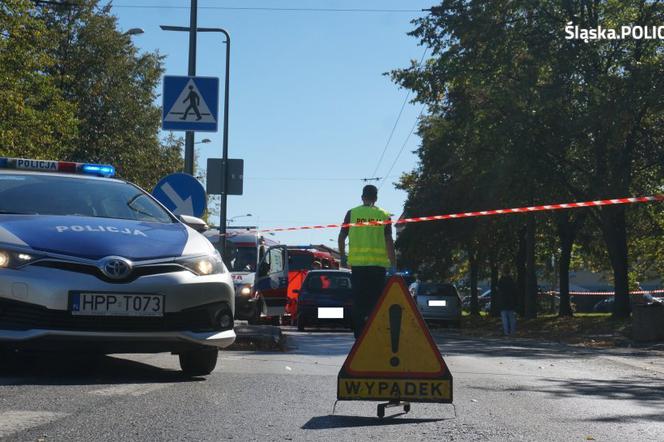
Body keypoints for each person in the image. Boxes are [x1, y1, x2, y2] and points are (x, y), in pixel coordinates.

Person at [338, 185, 396, 338]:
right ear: (376, 198)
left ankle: (359, 334)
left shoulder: (352, 214)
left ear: (362, 197)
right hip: (378, 268)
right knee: (377, 302)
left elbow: (341, 237)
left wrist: (343, 257)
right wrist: (393, 263)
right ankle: (375, 333)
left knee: (359, 302)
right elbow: (389, 240)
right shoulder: (384, 215)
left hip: (358, 267)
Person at [496, 265, 518, 336]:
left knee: (504, 318)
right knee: (512, 318)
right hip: (511, 301)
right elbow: (515, 291)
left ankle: (506, 332)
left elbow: (498, 290)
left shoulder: (501, 280)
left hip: (503, 301)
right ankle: (512, 332)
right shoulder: (511, 280)